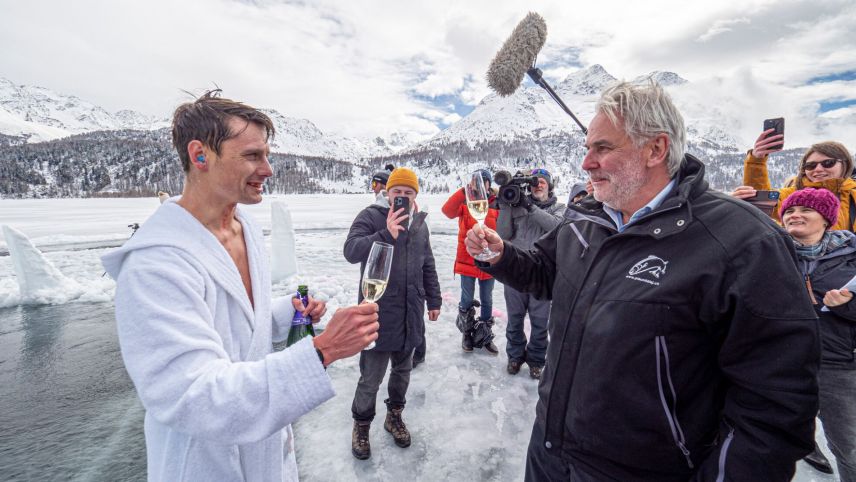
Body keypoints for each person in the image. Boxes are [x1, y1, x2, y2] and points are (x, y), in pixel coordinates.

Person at [465, 80, 820, 481]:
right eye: (587, 149)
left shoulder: (741, 242)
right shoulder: (587, 217)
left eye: (603, 148)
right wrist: (499, 254)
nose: (586, 164)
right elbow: (545, 272)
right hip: (549, 454)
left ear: (656, 149)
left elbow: (773, 409)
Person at [100, 91, 379, 482]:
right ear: (200, 156)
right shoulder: (155, 264)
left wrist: (286, 311)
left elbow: (240, 321)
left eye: (267, 155)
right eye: (252, 155)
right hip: (205, 466)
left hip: (265, 455)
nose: (267, 169)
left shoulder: (243, 228)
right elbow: (195, 398)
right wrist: (324, 350)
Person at [343, 167, 441, 460]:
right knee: (370, 378)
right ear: (388, 192)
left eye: (408, 193)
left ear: (415, 196)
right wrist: (385, 232)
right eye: (397, 192)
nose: (402, 197)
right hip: (378, 313)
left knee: (402, 371)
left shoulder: (419, 224)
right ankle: (361, 426)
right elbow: (351, 251)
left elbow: (428, 264)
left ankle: (394, 416)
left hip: (410, 312)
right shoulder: (370, 216)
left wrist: (434, 298)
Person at [779, 188, 856, 481]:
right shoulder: (771, 252)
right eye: (789, 211)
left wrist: (847, 306)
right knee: (776, 436)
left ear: (827, 219)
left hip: (837, 364)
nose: (795, 215)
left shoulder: (852, 254)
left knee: (848, 445)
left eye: (805, 210)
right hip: (783, 361)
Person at [495, 168, 564, 379]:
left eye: (543, 181)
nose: (538, 184)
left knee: (540, 321)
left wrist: (530, 207)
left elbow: (557, 228)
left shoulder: (558, 208)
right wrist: (507, 206)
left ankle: (536, 360)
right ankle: (515, 356)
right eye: (535, 182)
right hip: (515, 271)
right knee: (514, 318)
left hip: (542, 274)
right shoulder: (518, 206)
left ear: (549, 185)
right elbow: (503, 234)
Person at [731, 131, 856, 230]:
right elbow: (762, 202)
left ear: (845, 164)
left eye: (828, 163)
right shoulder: (794, 194)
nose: (818, 169)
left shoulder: (853, 194)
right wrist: (756, 161)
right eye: (810, 166)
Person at [442, 169, 500, 355]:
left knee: (487, 299)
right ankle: (467, 333)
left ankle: (484, 335)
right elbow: (447, 211)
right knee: (466, 298)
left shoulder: (496, 204)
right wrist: (463, 192)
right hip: (467, 261)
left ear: (489, 184)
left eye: (484, 181)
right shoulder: (465, 203)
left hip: (489, 261)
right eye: (477, 181)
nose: (481, 184)